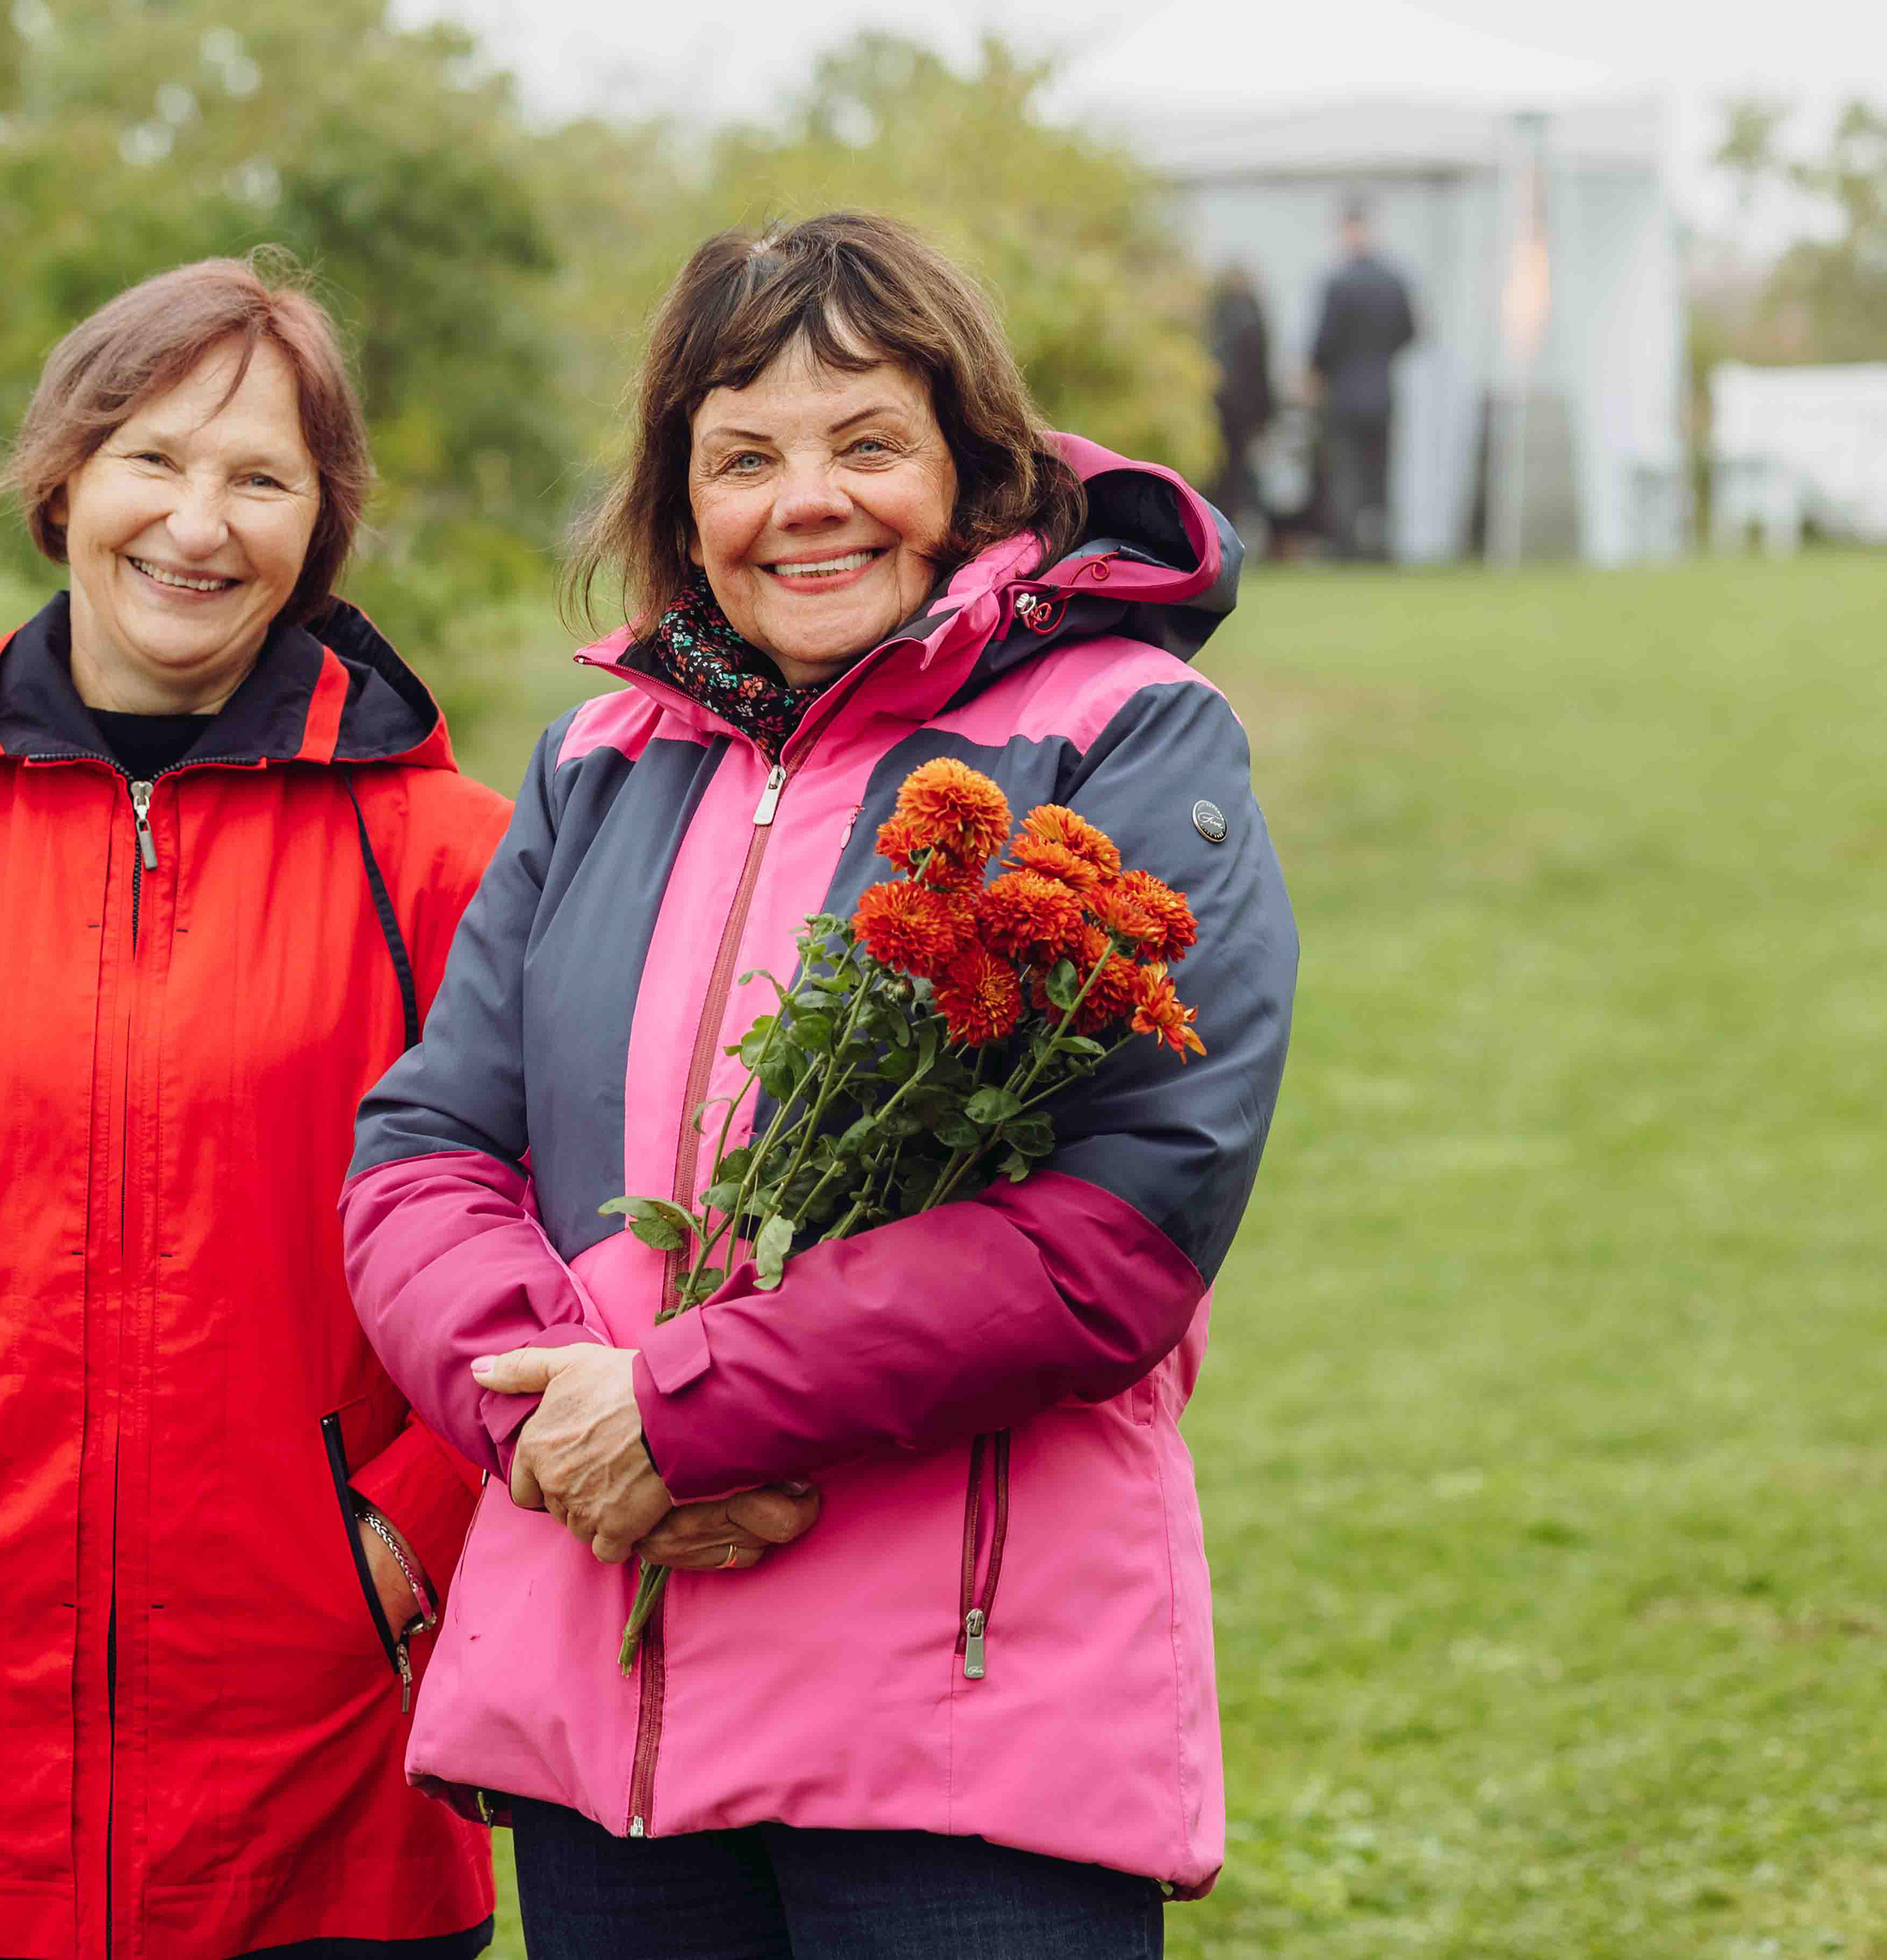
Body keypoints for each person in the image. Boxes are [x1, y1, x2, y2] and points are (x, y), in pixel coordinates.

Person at [342, 211, 1299, 1958]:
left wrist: (687, 1410)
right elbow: (424, 1151)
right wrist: (555, 1428)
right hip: (611, 1727)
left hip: (957, 1730)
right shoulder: (598, 760)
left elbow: (1123, 1227)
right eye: (743, 457)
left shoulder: (1120, 731)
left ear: (970, 466)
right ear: (677, 497)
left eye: (867, 443)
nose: (806, 502)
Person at [0, 256, 514, 1960]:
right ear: (63, 478)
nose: (198, 523)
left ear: (318, 528)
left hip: (333, 1775)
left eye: (261, 478)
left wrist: (411, 1534)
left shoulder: (448, 855)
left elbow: (556, 1245)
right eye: (154, 458)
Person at [1308, 199, 1417, 560]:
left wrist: (1319, 373)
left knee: (1346, 471)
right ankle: (1379, 543)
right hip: (1382, 391)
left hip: (1343, 392)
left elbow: (1324, 342)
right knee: (1379, 472)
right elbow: (1410, 332)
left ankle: (1347, 545)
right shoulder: (1394, 281)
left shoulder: (1338, 283)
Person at [1203, 263, 1272, 541]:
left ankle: (1214, 531)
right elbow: (1261, 369)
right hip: (1246, 410)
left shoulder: (1216, 313)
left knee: (1218, 474)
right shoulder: (1254, 314)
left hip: (1217, 407)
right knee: (1241, 472)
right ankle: (1237, 531)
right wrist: (1266, 414)